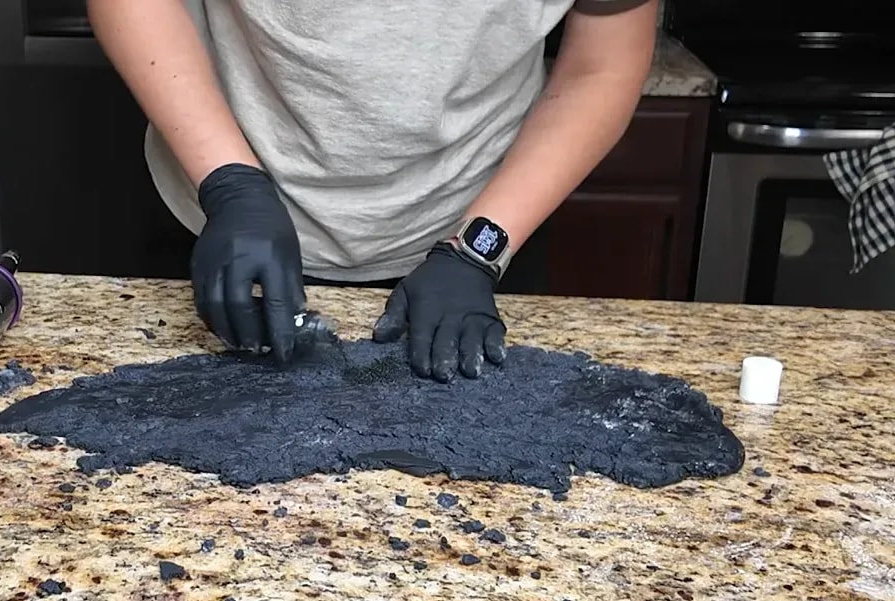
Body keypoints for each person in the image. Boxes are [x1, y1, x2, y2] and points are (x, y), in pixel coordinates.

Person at [88, 0, 658, 382]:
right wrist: (229, 183)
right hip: (220, 202)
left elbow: (601, 64)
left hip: (479, 225)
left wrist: (478, 252)